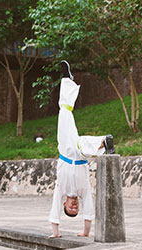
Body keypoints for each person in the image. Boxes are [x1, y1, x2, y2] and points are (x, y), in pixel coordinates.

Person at [49, 60, 115, 238]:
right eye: (75, 209)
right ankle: (104, 142)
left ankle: (67, 79)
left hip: (64, 150)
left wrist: (56, 233)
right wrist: (86, 232)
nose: (74, 206)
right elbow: (89, 211)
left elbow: (54, 211)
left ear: (65, 205)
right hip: (79, 154)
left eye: (70, 208)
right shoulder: (83, 190)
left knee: (64, 111)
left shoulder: (60, 189)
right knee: (83, 143)